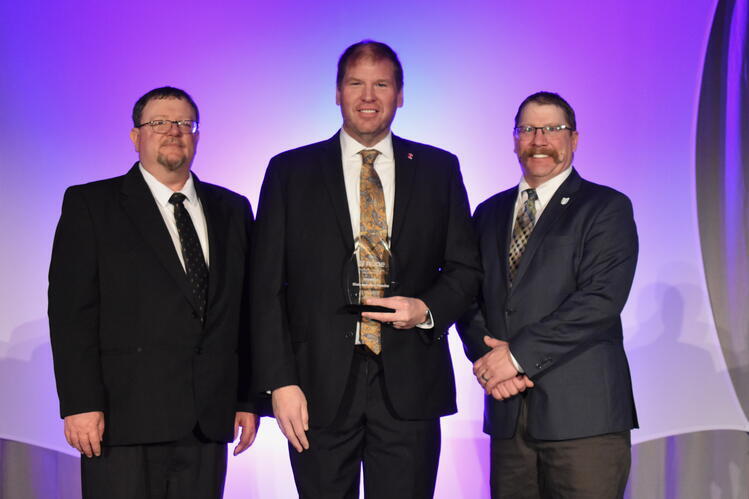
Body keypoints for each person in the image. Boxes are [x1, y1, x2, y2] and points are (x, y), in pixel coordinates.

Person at [250, 40, 481, 498]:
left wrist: (426, 308)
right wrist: (279, 381)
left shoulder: (439, 168)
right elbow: (264, 288)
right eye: (356, 83)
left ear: (400, 94)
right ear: (337, 92)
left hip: (411, 384)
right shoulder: (290, 171)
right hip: (315, 387)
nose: (368, 96)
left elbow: (465, 269)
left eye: (382, 84)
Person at [48, 86, 264, 499]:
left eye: (185, 123)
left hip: (207, 420)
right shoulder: (91, 205)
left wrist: (247, 399)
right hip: (122, 419)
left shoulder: (232, 209)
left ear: (197, 136)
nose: (173, 131)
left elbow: (245, 312)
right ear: (136, 137)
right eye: (159, 122)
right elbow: (71, 313)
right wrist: (79, 403)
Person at [457, 91, 638, 499]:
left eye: (552, 129)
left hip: (583, 420)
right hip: (508, 419)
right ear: (515, 139)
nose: (539, 140)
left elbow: (598, 301)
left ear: (574, 139)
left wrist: (515, 358)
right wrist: (488, 362)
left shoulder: (606, 207)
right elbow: (466, 293)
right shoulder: (488, 213)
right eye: (527, 129)